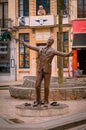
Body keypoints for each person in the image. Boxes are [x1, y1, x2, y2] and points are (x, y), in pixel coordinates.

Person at [20, 37, 72, 106]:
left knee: (46, 86)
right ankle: (38, 100)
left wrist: (68, 54)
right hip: (40, 69)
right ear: (47, 41)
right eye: (48, 40)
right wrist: (24, 43)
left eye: (51, 41)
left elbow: (61, 53)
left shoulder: (53, 50)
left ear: (52, 43)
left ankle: (46, 101)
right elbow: (31, 47)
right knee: (37, 85)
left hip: (47, 70)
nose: (49, 41)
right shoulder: (40, 48)